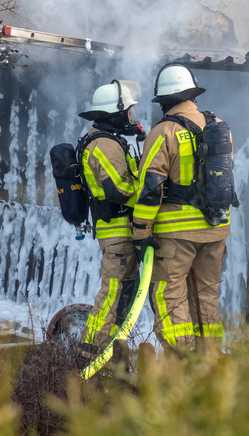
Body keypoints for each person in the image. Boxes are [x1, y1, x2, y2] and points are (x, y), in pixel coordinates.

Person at [131, 63, 231, 354]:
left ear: (164, 101)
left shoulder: (163, 132)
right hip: (217, 229)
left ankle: (181, 362)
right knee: (206, 295)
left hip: (177, 234)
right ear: (192, 95)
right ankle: (209, 361)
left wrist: (141, 233)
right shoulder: (219, 127)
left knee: (170, 295)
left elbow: (150, 189)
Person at [77, 79, 146, 357]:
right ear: (114, 114)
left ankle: (112, 352)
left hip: (120, 234)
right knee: (113, 294)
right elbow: (119, 189)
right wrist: (151, 194)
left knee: (123, 295)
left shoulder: (108, 140)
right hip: (118, 234)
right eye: (128, 112)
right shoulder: (104, 144)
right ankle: (90, 352)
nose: (132, 117)